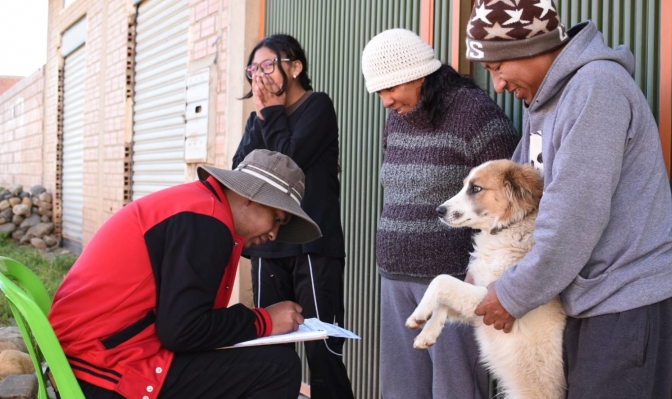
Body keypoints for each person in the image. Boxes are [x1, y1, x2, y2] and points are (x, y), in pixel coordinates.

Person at [465, 1, 672, 398]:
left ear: (532, 47)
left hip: (626, 300)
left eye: (498, 68)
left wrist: (514, 293)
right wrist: (483, 273)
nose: (498, 84)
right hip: (586, 299)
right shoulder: (545, 103)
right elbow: (522, 207)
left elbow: (572, 217)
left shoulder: (595, 88)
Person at [48, 150, 321, 399]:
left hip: (84, 355)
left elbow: (182, 326)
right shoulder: (207, 223)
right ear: (250, 196)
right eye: (277, 219)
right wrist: (263, 321)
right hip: (100, 369)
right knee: (279, 368)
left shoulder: (198, 207)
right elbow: (183, 331)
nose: (274, 234)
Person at [361, 28, 519, 399]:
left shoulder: (474, 114)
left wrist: (489, 273)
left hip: (451, 283)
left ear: (418, 74)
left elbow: (512, 203)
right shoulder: (398, 116)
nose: (385, 101)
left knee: (456, 391)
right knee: (402, 391)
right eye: (379, 92)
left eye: (390, 89)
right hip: (396, 278)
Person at [231, 34, 354, 399]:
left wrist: (270, 113)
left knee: (322, 349)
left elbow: (288, 163)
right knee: (271, 351)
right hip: (268, 248)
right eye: (254, 69)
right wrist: (263, 116)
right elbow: (242, 170)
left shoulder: (317, 106)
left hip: (313, 245)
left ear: (295, 66)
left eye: (268, 65)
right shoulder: (260, 118)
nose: (259, 76)